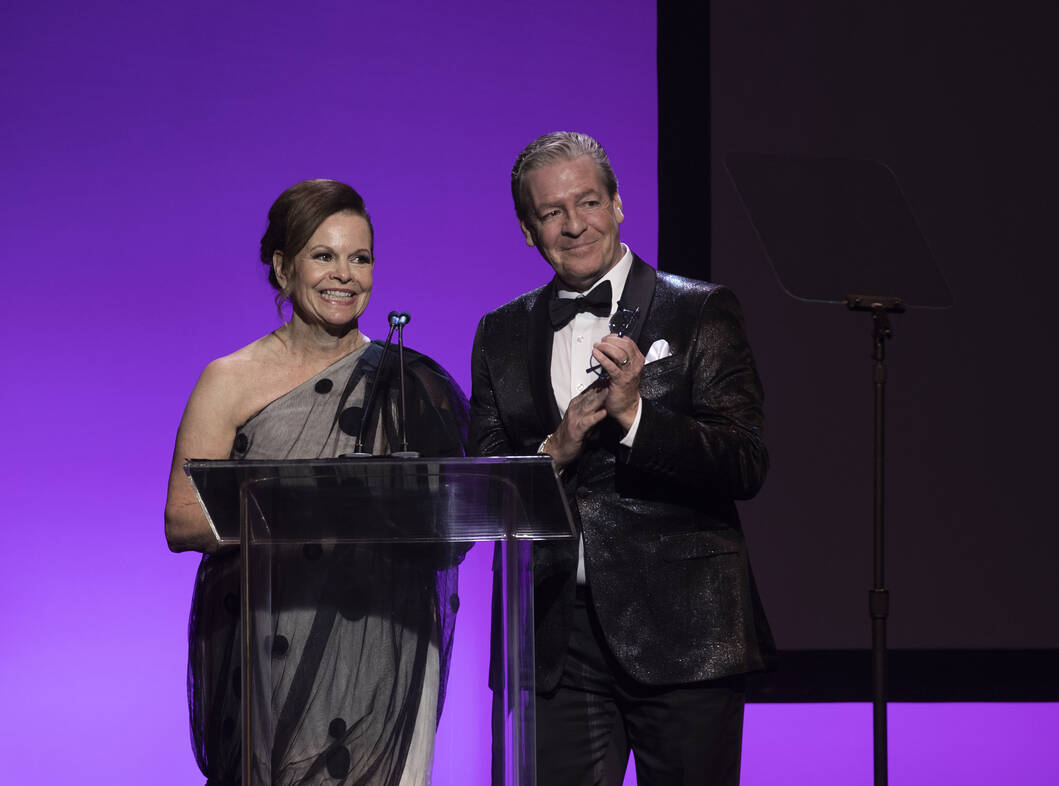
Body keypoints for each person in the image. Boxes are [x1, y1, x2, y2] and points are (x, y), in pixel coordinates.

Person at [469, 132, 775, 785]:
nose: (574, 224)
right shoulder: (500, 331)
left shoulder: (699, 311)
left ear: (618, 205)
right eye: (552, 213)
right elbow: (484, 484)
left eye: (588, 202)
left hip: (685, 630)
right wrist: (554, 453)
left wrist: (637, 418)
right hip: (554, 636)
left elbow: (745, 462)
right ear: (528, 230)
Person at [164, 179, 468, 785]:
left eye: (360, 257)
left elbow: (453, 531)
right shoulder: (229, 379)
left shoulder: (411, 382)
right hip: (272, 643)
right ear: (282, 268)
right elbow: (183, 520)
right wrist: (325, 502)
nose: (345, 275)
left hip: (382, 648)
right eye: (323, 256)